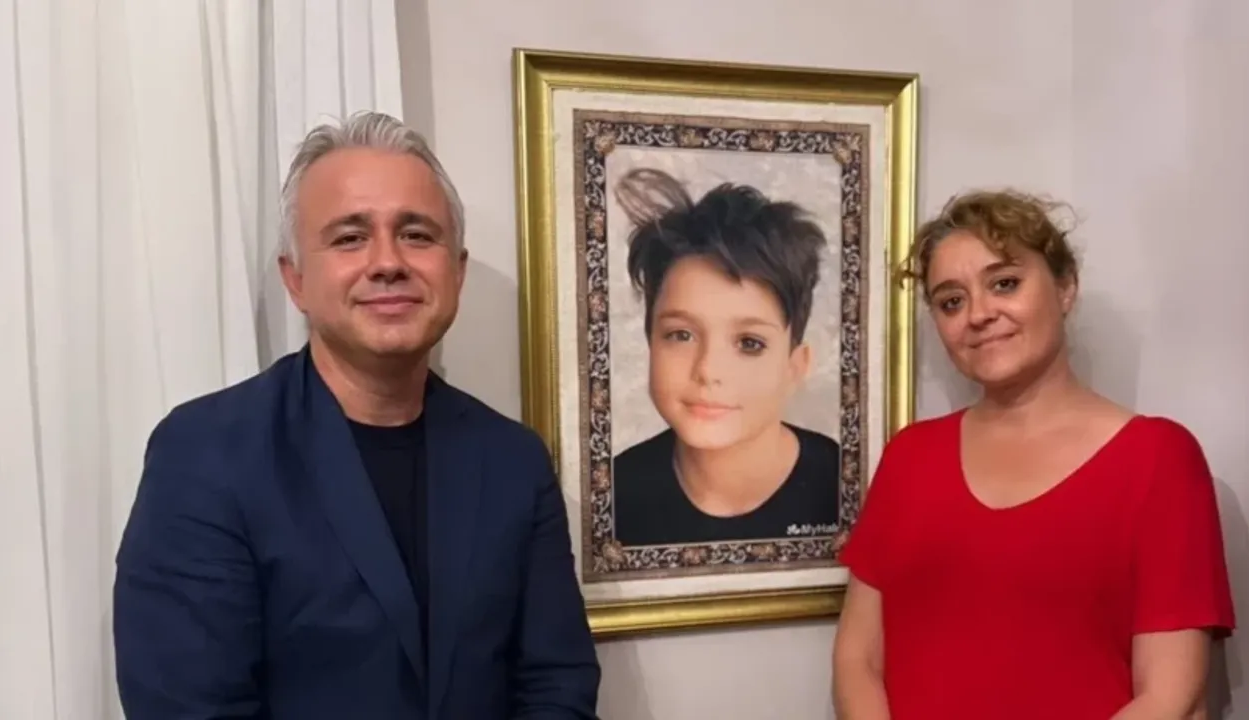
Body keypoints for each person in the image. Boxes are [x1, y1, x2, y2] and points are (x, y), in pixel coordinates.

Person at [112, 111, 601, 719]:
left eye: (417, 234)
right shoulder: (206, 457)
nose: (388, 261)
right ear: (296, 280)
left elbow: (557, 684)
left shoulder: (514, 461)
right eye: (349, 238)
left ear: (457, 271)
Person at [831, 189, 1235, 719]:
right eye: (951, 301)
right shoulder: (909, 458)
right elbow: (857, 659)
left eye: (1004, 283)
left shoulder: (1157, 458)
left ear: (1065, 288)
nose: (979, 314)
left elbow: (1169, 696)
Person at [610, 167, 841, 547]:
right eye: (681, 335)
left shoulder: (846, 485)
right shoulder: (613, 495)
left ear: (795, 366)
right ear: (650, 343)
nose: (708, 370)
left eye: (749, 343)